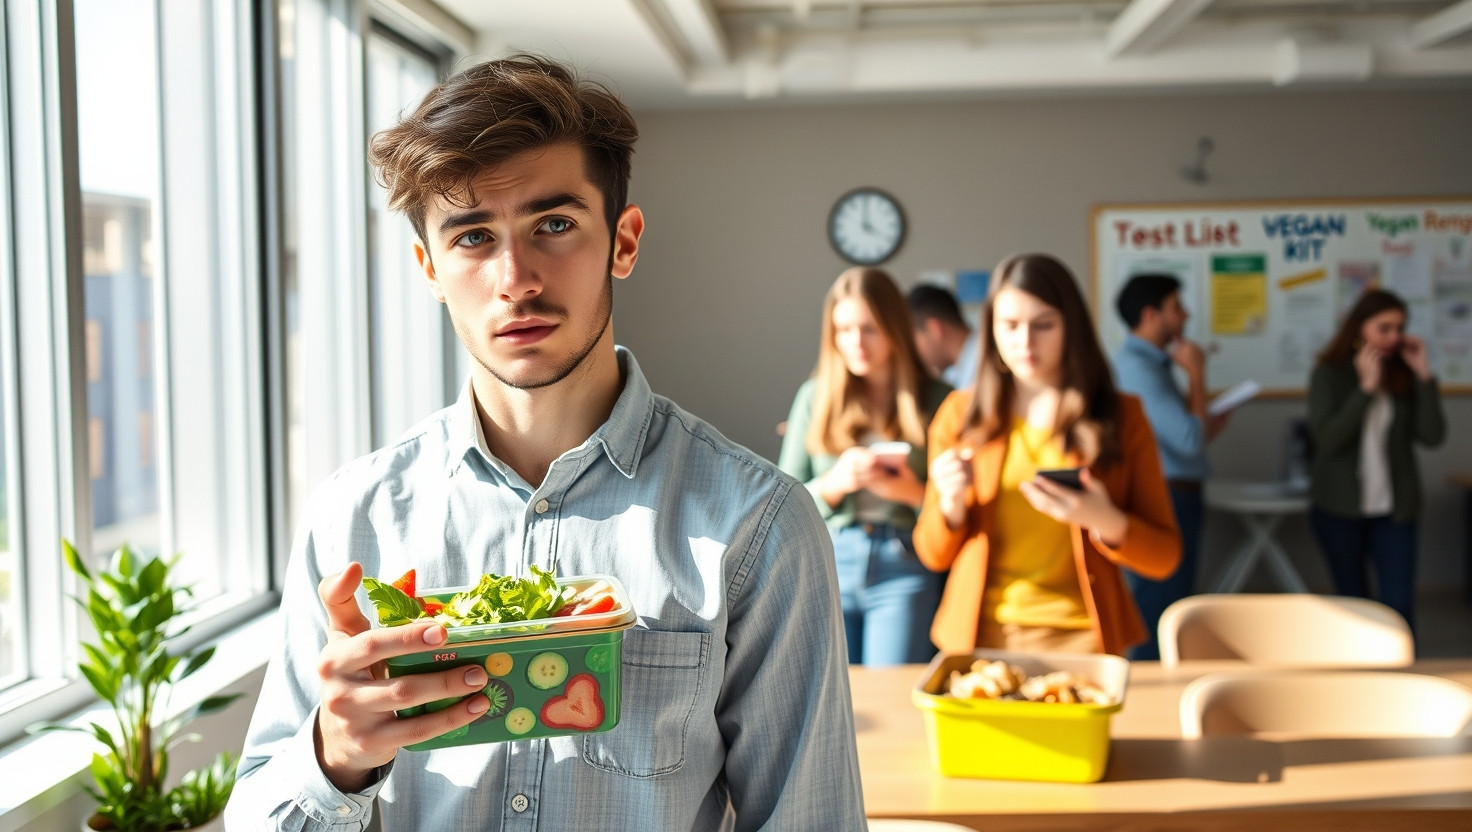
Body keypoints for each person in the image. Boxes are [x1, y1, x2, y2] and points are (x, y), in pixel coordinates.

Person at [226, 56, 866, 831]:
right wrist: (334, 758)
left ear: (623, 242)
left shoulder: (760, 526)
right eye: (472, 237)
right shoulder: (352, 517)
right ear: (429, 267)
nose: (516, 277)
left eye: (553, 226)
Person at [914, 253, 1180, 656]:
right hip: (980, 638)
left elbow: (1164, 557)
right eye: (1010, 326)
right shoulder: (959, 415)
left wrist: (1105, 520)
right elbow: (933, 554)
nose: (1025, 342)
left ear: (1071, 327)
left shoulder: (1122, 417)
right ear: (990, 330)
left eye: (1043, 325)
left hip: (1086, 640)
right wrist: (950, 506)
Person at [778, 268, 951, 666]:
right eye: (843, 329)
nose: (856, 343)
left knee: (891, 702)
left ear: (895, 327)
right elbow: (782, 503)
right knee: (833, 701)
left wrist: (912, 493)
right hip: (829, 558)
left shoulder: (940, 400)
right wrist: (834, 484)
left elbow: (963, 510)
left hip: (905, 561)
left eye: (870, 328)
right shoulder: (815, 396)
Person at [1307, 288, 1445, 633]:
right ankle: (1359, 678)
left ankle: (1401, 674)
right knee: (1353, 602)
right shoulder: (1329, 373)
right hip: (1340, 507)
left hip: (1394, 508)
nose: (1394, 337)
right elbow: (1329, 439)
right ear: (1359, 328)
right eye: (1384, 328)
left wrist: (1424, 376)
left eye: (1399, 328)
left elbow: (1432, 436)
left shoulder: (1403, 374)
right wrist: (1366, 390)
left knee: (1398, 603)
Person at [1111, 273, 1228, 660]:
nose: (1186, 315)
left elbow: (1186, 437)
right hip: (1168, 498)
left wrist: (1203, 417)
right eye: (1176, 307)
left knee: (1170, 606)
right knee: (1158, 609)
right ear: (1150, 314)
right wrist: (1197, 374)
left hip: (1178, 492)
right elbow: (1190, 442)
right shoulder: (1137, 368)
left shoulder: (1152, 365)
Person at [908, 282, 979, 389]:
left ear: (935, 329)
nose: (912, 351)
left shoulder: (984, 366)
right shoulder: (954, 373)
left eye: (912, 341)